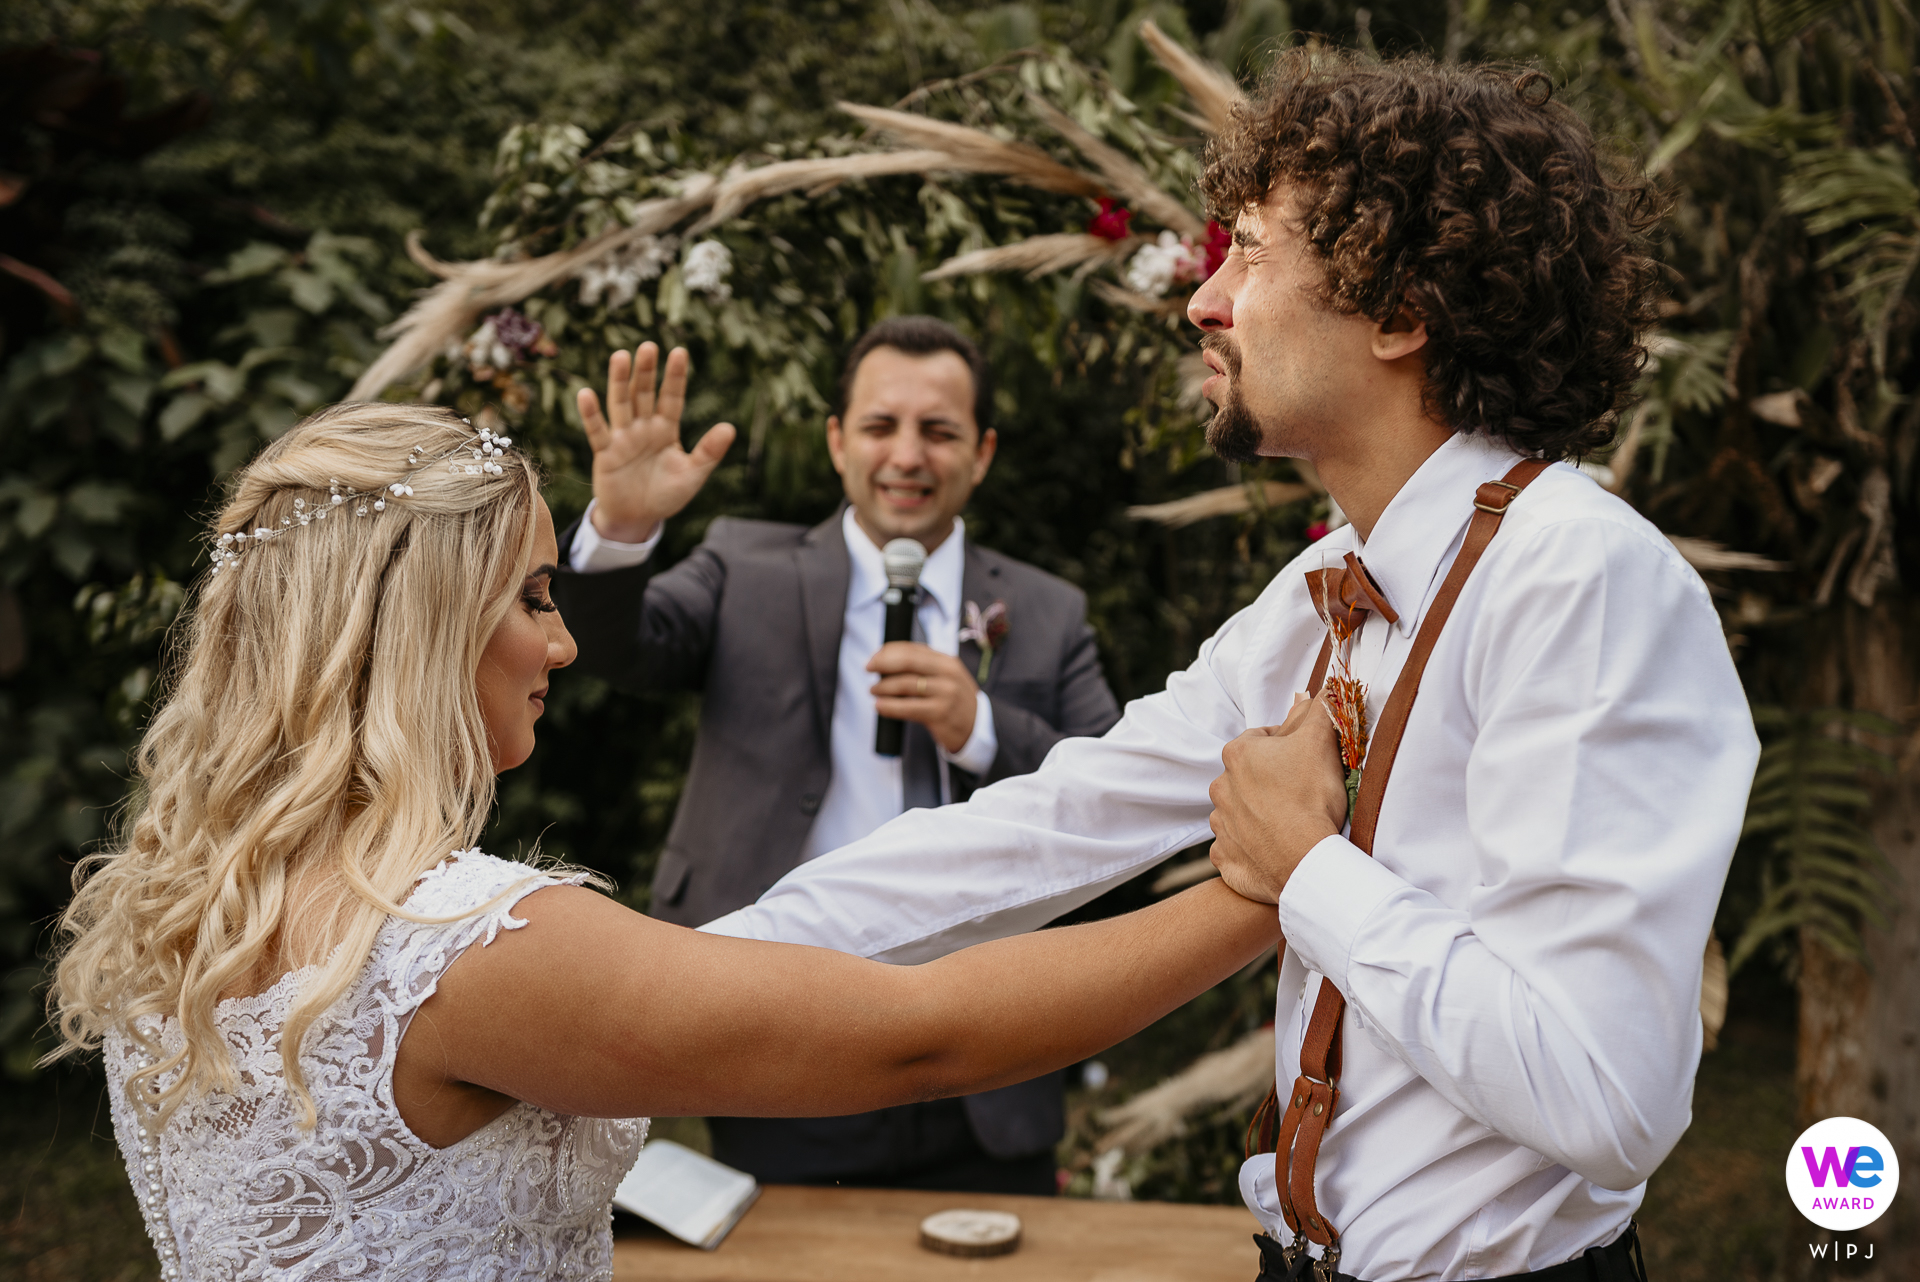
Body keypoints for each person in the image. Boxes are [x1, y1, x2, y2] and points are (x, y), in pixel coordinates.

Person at [703, 52, 1760, 1282]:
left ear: (1400, 311)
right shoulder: (1319, 595)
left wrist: (1305, 869)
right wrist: (676, 985)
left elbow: (1607, 1094)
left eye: (1252, 252)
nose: (1207, 299)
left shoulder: (1583, 580)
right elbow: (1050, 827)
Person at [43, 402, 1287, 1281]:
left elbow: (780, 939)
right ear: (420, 628)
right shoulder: (465, 948)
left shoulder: (184, 905)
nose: (564, 642)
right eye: (534, 596)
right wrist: (1262, 893)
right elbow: (925, 1035)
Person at [553, 316, 1120, 1193]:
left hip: (985, 1032)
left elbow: (1114, 799)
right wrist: (620, 530)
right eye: (880, 426)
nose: (908, 454)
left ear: (983, 453)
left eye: (939, 432)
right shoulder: (746, 566)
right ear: (835, 441)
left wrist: (984, 728)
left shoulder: (1045, 612)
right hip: (786, 1018)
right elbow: (623, 651)